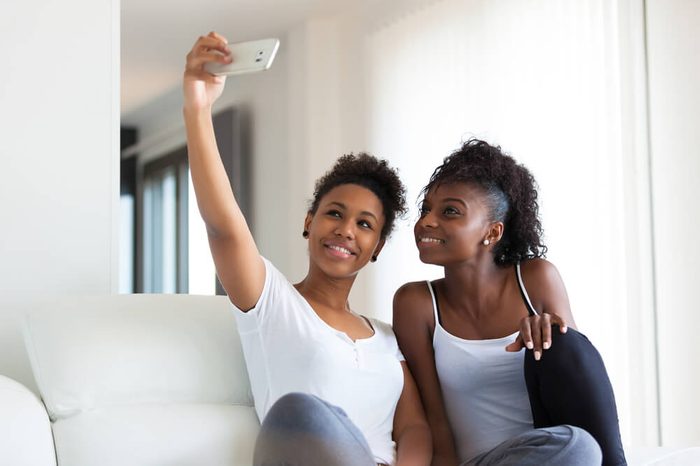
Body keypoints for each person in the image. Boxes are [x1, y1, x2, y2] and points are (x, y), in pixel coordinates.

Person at [183, 32, 431, 466]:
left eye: (365, 224)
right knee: (301, 412)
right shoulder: (271, 300)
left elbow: (413, 428)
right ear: (309, 223)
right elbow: (223, 227)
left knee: (570, 445)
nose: (346, 230)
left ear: (377, 246)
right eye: (334, 213)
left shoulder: (388, 339)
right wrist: (199, 108)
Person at [393, 139, 626, 466]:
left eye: (450, 211)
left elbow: (579, 381)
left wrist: (549, 330)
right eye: (425, 210)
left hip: (551, 454)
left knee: (578, 441)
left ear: (492, 232)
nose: (427, 222)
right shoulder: (416, 303)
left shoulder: (536, 279)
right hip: (479, 462)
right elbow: (434, 422)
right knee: (579, 448)